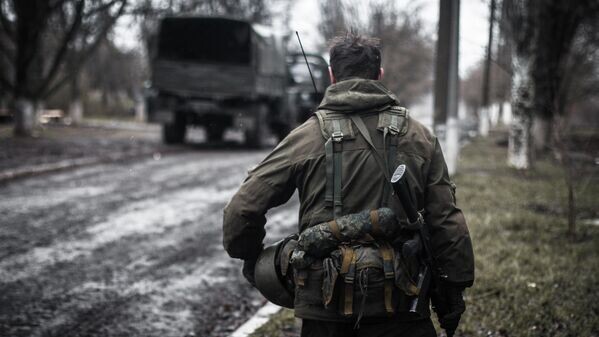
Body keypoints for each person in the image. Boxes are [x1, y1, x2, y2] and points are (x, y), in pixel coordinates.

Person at [223, 33, 474, 337]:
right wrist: (453, 287)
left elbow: (241, 209)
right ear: (379, 75)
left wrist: (253, 259)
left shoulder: (306, 136)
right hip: (403, 304)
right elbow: (445, 220)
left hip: (324, 309)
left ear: (332, 75)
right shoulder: (420, 137)